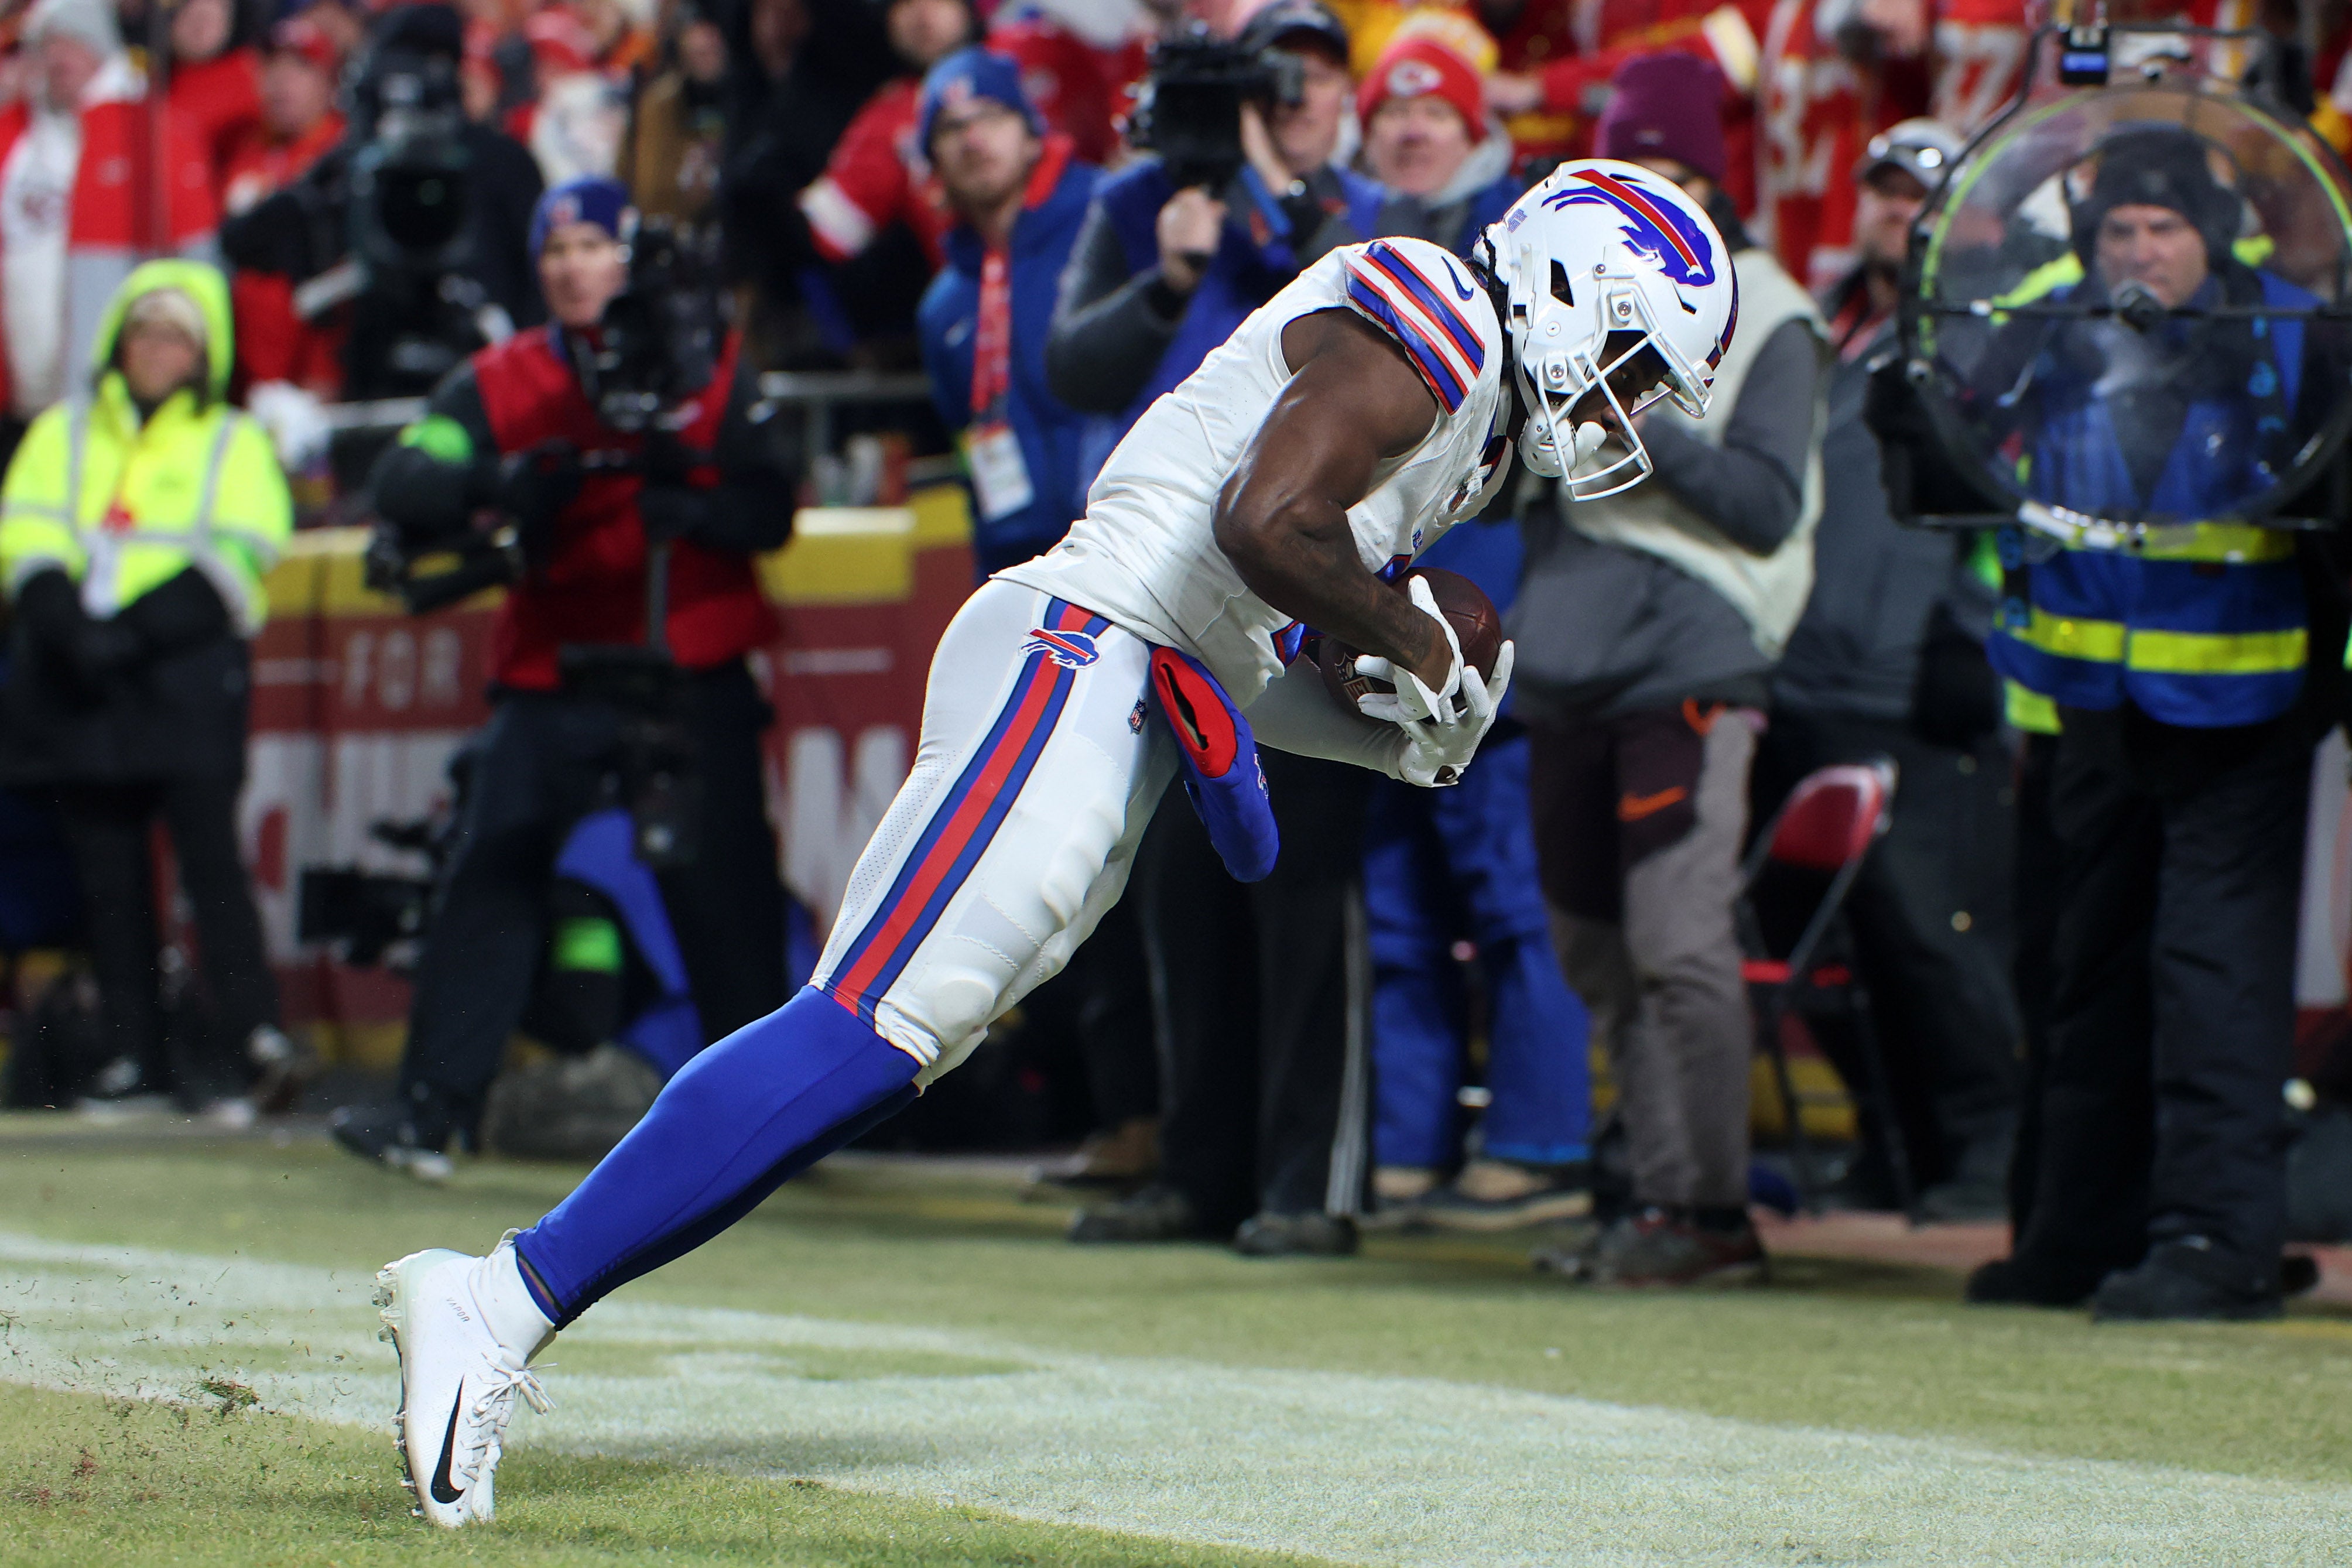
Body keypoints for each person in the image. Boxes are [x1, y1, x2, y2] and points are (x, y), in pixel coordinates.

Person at [370, 159, 1736, 1526]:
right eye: (1626, 360)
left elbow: (1251, 646)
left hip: (1130, 680)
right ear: (1568, 286)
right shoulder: (1434, 308)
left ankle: (506, 1293)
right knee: (865, 1022)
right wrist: (1404, 633)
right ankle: (495, 1298)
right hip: (1080, 648)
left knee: (888, 1043)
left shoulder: (1470, 424)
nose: (1620, 406)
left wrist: (1400, 728)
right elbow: (1260, 524)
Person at [328, 176, 796, 1180]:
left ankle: (776, 1128)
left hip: (689, 662)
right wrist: (502, 481)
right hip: (553, 670)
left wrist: (697, 510)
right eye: (555, 249)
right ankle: (429, 1111)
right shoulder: (505, 378)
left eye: (591, 244)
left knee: (727, 901)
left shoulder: (712, 365)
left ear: (628, 257)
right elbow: (408, 474)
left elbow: (771, 505)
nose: (572, 265)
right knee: (490, 866)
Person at [1960, 125, 2348, 1321]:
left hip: (2245, 706)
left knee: (2211, 981)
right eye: (2119, 227)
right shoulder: (2052, 317)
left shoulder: (2293, 332)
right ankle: (2078, 1236)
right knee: (2087, 973)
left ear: (2213, 233)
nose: (2139, 249)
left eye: (2163, 227)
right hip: (2090, 702)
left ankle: (2214, 1242)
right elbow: (1947, 408)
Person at [1511, 54, 1827, 1288]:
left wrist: (1634, 405)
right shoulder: (1566, 290)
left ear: (1707, 183)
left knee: (1675, 944)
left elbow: (1761, 504)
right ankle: (1654, 1202)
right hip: (1566, 662)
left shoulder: (1770, 306)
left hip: (1689, 657)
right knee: (1595, 951)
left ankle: (1705, 1212)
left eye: (1663, 175)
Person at [1753, 118, 2021, 1222]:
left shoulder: (1998, 337)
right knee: (1830, 940)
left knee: (1934, 939)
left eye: (1921, 195)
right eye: (1880, 191)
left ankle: (1989, 1151)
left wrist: (1971, 654)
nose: (1895, 212)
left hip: (1923, 691)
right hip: (1813, 681)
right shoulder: (1839, 331)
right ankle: (1894, 1140)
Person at [0, 261, 296, 1118]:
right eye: (144, 332)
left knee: (211, 861)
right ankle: (137, 1057)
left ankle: (251, 1042)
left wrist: (129, 632)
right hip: (78, 676)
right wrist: (70, 626)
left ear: (205, 353)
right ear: (116, 342)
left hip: (182, 669)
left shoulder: (233, 439)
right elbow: (25, 535)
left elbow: (243, 551)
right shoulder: (64, 430)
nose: (158, 350)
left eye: (177, 335)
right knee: (108, 874)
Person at [0, 0, 215, 443]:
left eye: (73, 42)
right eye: (49, 45)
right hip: (17, 402)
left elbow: (198, 271)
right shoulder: (18, 136)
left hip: (117, 404)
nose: (60, 57)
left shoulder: (152, 128)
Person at [1355, 30, 1519, 253]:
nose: (1414, 132)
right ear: (1367, 136)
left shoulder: (1517, 222)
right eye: (1396, 113)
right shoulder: (1324, 209)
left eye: (1436, 114)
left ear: (1472, 140)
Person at [616, 2, 728, 224]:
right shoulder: (659, 102)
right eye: (696, 30)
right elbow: (649, 195)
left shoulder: (754, 94)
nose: (702, 41)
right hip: (676, 227)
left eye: (712, 30)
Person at [163, 0, 263, 207]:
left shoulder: (254, 73)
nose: (199, 27)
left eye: (210, 19)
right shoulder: (154, 84)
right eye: (190, 17)